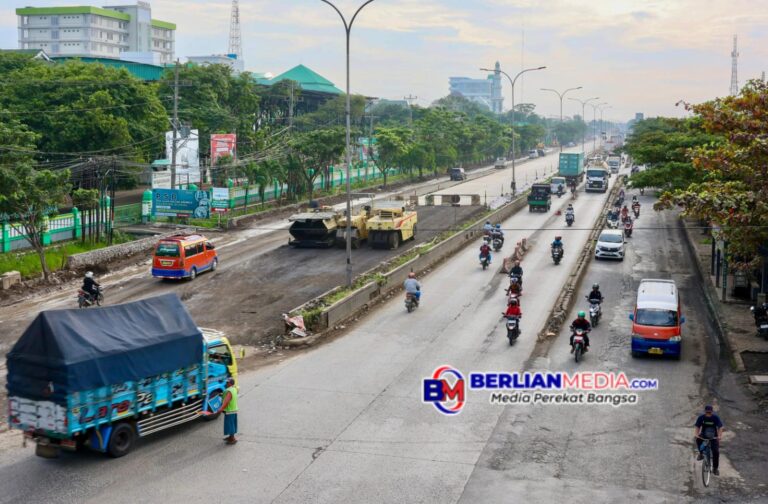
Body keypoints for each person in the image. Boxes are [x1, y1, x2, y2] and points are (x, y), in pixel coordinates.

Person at [203, 377, 239, 444]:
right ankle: (231, 437)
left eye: (227, 382)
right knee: (232, 424)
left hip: (230, 411)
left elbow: (226, 401)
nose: (226, 383)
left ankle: (233, 439)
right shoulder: (234, 389)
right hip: (234, 409)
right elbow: (227, 397)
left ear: (230, 383)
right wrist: (221, 394)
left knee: (230, 425)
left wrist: (221, 408)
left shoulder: (229, 391)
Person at [695, 405, 724, 475]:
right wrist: (696, 434)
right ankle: (701, 453)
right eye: (707, 412)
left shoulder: (715, 418)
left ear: (712, 412)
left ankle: (715, 468)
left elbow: (720, 427)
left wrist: (719, 436)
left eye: (709, 412)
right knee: (697, 439)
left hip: (714, 436)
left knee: (716, 452)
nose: (708, 414)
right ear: (705, 411)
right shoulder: (701, 417)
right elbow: (697, 426)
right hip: (704, 434)